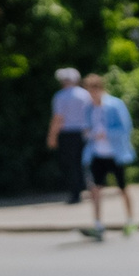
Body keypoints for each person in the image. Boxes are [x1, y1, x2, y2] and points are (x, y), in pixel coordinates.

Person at [78, 74, 138, 242]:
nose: (91, 95)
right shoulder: (89, 108)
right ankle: (98, 224)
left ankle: (130, 220)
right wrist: (88, 133)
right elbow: (86, 128)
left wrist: (107, 134)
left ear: (100, 89)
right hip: (97, 154)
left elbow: (125, 127)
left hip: (115, 154)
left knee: (122, 188)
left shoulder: (114, 104)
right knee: (95, 190)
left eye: (93, 91)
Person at [45, 66, 92, 207]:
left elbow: (58, 118)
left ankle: (75, 193)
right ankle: (88, 189)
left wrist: (52, 136)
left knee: (71, 164)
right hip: (84, 132)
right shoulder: (85, 94)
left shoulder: (60, 96)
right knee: (83, 163)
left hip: (68, 134)